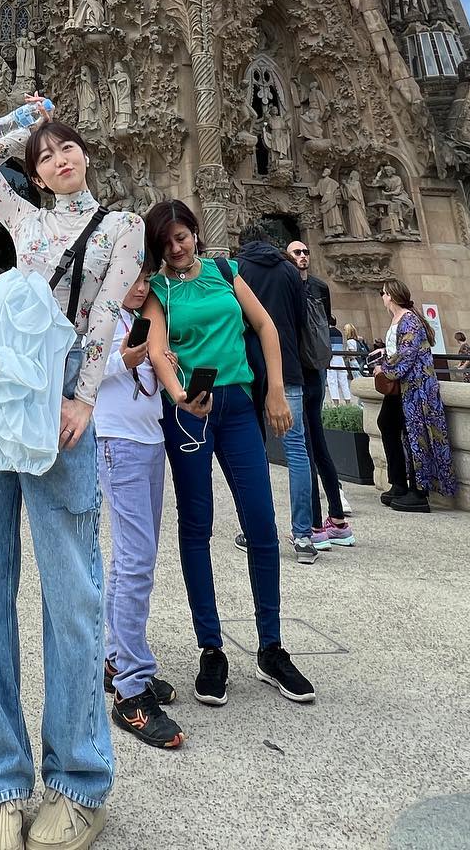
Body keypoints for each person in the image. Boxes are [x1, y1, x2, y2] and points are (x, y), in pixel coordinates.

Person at [0, 99, 144, 850]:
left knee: (72, 587)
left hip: (58, 388)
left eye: (68, 149)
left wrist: (83, 397)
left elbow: (103, 323)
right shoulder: (26, 221)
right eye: (46, 155)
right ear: (35, 170)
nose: (59, 159)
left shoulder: (123, 229)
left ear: (86, 156)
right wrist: (27, 120)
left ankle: (80, 782)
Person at [142, 200, 316, 712]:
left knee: (261, 522)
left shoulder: (226, 270)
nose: (178, 247)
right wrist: (177, 394)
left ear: (196, 233)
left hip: (239, 405)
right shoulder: (159, 290)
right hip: (190, 413)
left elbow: (265, 328)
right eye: (168, 241)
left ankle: (270, 647)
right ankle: (211, 647)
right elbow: (155, 350)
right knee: (197, 525)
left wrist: (276, 391)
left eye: (184, 236)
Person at [95, 261, 184, 751]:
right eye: (134, 279)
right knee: (135, 562)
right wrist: (125, 362)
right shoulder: (104, 317)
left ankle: (116, 658)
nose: (142, 288)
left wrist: (156, 358)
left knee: (132, 558)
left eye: (147, 281)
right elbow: (80, 366)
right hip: (118, 441)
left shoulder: (139, 322)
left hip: (149, 439)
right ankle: (131, 685)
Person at [231, 234, 316, 561]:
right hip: (288, 367)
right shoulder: (289, 271)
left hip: (252, 369)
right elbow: (298, 320)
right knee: (297, 450)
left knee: (254, 451)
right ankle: (304, 536)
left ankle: (256, 530)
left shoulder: (238, 270)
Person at [282, 239, 354, 550]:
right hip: (312, 369)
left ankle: (319, 523)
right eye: (296, 252)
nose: (302, 256)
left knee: (307, 446)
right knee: (313, 443)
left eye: (305, 252)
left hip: (306, 371)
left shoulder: (311, 287)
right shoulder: (312, 287)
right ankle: (336, 521)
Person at [373, 277, 457, 514]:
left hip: (415, 387)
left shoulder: (410, 319)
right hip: (401, 385)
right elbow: (401, 348)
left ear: (390, 295)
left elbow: (408, 354)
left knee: (415, 434)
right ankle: (399, 483)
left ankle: (419, 492)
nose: (382, 297)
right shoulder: (398, 319)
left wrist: (384, 368)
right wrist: (384, 352)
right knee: (387, 424)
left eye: (383, 293)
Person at [326, 314, 353, 403]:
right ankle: (348, 402)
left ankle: (336, 404)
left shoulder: (327, 332)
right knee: (344, 382)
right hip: (340, 359)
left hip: (331, 359)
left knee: (332, 382)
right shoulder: (339, 332)